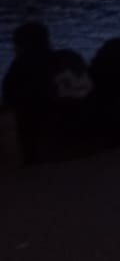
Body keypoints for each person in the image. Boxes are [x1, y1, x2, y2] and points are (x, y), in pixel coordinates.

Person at [3, 22, 93, 164]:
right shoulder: (70, 57)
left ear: (20, 46)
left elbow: (9, 103)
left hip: (51, 143)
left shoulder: (21, 68)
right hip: (91, 131)